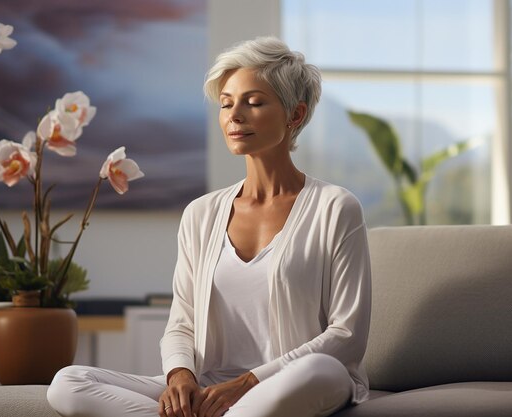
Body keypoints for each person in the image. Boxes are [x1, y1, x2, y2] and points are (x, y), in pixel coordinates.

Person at [47, 36, 372, 417]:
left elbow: (345, 336)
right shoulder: (201, 214)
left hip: (290, 382)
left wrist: (248, 383)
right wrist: (180, 375)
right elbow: (181, 321)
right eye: (226, 103)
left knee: (320, 370)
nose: (235, 115)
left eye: (254, 102)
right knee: (69, 382)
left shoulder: (336, 207)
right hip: (209, 388)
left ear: (294, 115)